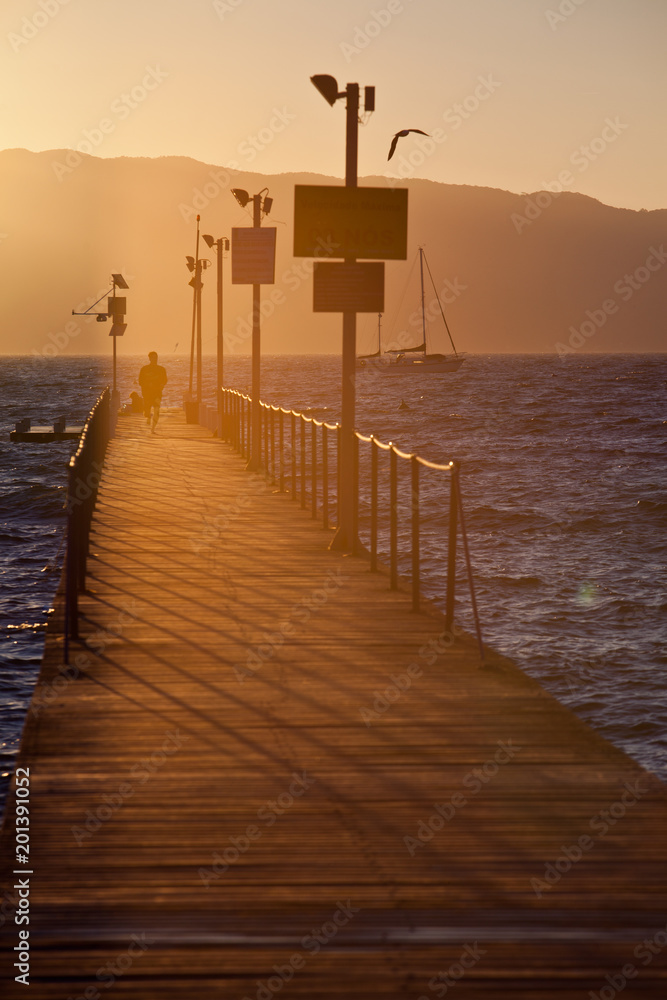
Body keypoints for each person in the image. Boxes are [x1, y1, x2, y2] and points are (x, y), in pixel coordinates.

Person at [138, 352, 167, 432]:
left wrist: (162, 384)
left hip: (157, 393)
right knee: (147, 410)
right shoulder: (144, 369)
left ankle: (153, 429)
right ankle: (148, 417)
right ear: (149, 358)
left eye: (156, 357)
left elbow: (165, 380)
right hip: (147, 393)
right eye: (153, 357)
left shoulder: (161, 369)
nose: (155, 359)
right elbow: (140, 381)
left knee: (156, 410)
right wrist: (147, 385)